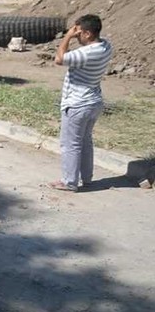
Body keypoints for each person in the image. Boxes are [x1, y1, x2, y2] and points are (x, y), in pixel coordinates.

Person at [49, 14, 112, 192]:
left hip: (77, 104)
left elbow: (59, 59)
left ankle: (69, 182)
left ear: (88, 34)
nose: (77, 37)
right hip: (94, 102)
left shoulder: (84, 53)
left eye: (79, 34)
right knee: (85, 141)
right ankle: (87, 178)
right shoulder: (106, 46)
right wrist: (76, 34)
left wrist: (67, 37)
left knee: (70, 144)